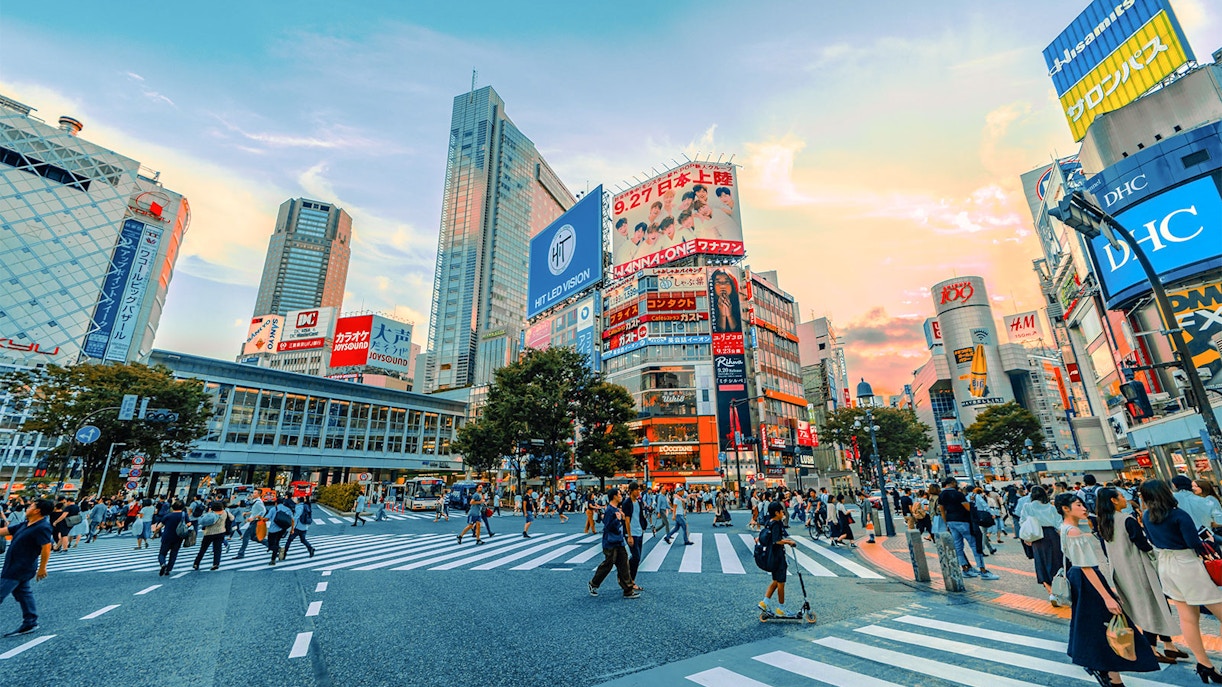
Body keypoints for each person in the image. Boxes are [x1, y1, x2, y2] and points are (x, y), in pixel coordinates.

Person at [1057, 492, 1160, 686]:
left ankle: (1109, 674)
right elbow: (1086, 566)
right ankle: (1110, 675)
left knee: (1095, 626)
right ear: (1065, 509)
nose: (1084, 508)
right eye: (1078, 505)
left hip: (1080, 579)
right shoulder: (1074, 531)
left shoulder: (1064, 528)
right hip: (1088, 580)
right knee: (1110, 625)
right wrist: (1107, 596)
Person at [1141, 479, 1222, 682]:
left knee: (1187, 617)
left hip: (1166, 565)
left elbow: (1151, 540)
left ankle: (1204, 664)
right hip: (1187, 564)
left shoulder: (1146, 516)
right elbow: (1193, 543)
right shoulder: (1178, 515)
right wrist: (1210, 540)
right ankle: (1206, 665)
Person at [1095, 487, 1185, 664]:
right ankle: (1152, 649)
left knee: (1152, 605)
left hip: (1120, 571)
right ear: (1113, 500)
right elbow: (1142, 544)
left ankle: (1169, 646)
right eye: (1121, 497)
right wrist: (1157, 554)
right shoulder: (1126, 520)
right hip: (1139, 568)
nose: (1124, 499)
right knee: (1151, 607)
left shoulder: (1104, 522)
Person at [0, 499, 53, 636]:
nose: (28, 507)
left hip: (20, 567)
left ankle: (30, 621)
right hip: (14, 565)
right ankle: (30, 622)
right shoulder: (26, 524)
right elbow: (4, 531)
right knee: (23, 593)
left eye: (31, 506)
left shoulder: (42, 527)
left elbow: (46, 547)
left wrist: (43, 568)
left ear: (37, 510)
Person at [937, 477, 998, 580]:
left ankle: (965, 569)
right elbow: (967, 508)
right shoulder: (958, 494)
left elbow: (942, 510)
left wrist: (946, 522)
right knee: (974, 545)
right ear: (952, 483)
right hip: (963, 521)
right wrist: (972, 502)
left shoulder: (942, 495)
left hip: (951, 522)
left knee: (958, 546)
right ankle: (983, 570)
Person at [587, 488, 638, 599]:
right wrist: (618, 520)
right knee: (608, 565)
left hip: (618, 541)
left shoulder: (616, 509)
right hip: (610, 542)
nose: (621, 496)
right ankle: (593, 583)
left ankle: (628, 590)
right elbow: (608, 526)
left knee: (623, 564)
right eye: (619, 494)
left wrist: (621, 519)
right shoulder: (610, 510)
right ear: (614, 496)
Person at [1020, 486, 1065, 605]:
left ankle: (1051, 593)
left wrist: (1026, 537)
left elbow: (1023, 522)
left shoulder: (1027, 507)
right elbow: (1058, 523)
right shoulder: (1051, 507)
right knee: (1056, 562)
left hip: (1037, 537)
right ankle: (1059, 589)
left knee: (1041, 564)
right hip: (1052, 536)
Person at [758, 501, 798, 616]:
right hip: (778, 557)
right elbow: (777, 540)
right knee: (781, 583)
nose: (783, 513)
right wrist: (789, 542)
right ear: (777, 513)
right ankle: (781, 609)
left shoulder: (768, 522)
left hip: (771, 556)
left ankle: (764, 602)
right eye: (781, 511)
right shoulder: (776, 524)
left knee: (775, 581)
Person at [622, 482, 647, 591]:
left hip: (639, 532)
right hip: (631, 533)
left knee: (637, 558)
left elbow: (640, 516)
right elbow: (627, 520)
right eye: (636, 490)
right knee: (636, 557)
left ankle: (630, 579)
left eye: (639, 490)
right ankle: (629, 579)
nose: (638, 492)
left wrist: (643, 527)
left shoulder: (639, 502)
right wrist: (629, 535)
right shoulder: (627, 503)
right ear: (631, 490)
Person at [192, 502, 230, 571]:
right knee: (217, 549)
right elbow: (232, 518)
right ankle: (216, 564)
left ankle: (196, 563)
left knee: (203, 549)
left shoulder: (211, 514)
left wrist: (208, 513)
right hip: (220, 532)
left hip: (209, 533)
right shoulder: (225, 512)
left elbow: (201, 521)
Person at [158, 501, 187, 576]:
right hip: (178, 537)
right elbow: (189, 523)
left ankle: (163, 564)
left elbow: (159, 526)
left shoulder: (168, 516)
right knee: (173, 554)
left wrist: (155, 533)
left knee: (162, 553)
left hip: (167, 536)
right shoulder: (184, 515)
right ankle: (168, 569)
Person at [265, 497, 295, 566]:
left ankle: (279, 549)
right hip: (282, 529)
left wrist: (261, 519)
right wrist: (292, 529)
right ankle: (273, 560)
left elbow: (267, 518)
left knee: (271, 545)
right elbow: (292, 520)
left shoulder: (273, 509)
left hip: (273, 530)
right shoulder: (288, 509)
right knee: (277, 543)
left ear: (276, 503)